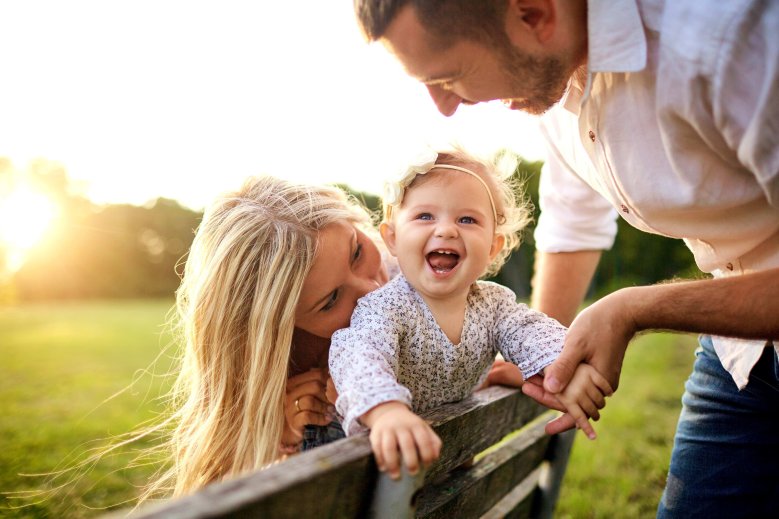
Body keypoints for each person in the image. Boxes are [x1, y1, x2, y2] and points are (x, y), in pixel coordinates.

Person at [352, 0, 779, 516]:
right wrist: (545, 362)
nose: (443, 107)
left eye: (450, 75)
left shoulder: (733, 43)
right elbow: (572, 223)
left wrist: (633, 307)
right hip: (741, 355)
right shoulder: (555, 91)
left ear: (534, 15)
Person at [147, 174, 526, 499]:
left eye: (358, 251)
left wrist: (478, 369)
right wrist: (285, 440)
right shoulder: (285, 382)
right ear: (282, 330)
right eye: (330, 300)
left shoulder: (414, 280)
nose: (370, 287)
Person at [329, 147, 612, 480]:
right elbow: (359, 356)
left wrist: (562, 366)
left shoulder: (493, 306)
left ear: (493, 246)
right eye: (425, 216)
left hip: (447, 466)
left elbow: (531, 331)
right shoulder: (385, 308)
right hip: (382, 469)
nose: (447, 230)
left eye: (467, 219)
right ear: (392, 238)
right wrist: (386, 410)